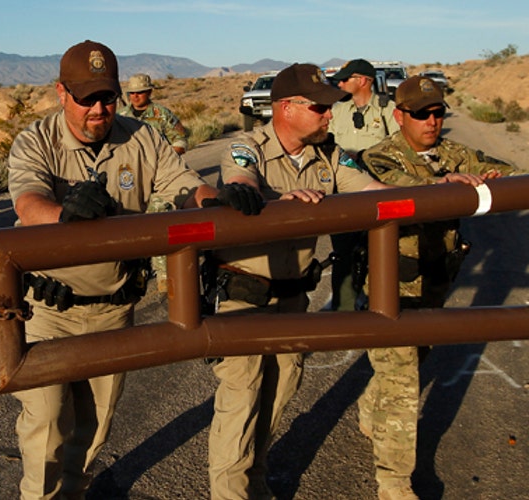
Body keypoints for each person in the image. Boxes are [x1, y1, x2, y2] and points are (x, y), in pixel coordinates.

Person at [7, 40, 230, 500]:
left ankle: (73, 493)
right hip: (48, 309)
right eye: (87, 98)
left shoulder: (143, 138)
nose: (99, 109)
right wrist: (64, 216)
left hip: (112, 309)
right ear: (61, 93)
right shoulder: (37, 140)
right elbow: (28, 202)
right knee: (47, 423)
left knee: (93, 427)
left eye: (107, 97)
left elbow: (185, 186)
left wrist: (218, 200)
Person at [206, 63, 389, 500]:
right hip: (243, 300)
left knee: (280, 392)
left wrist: (441, 186)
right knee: (241, 401)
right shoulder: (247, 147)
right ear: (286, 108)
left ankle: (254, 480)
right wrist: (277, 204)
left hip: (293, 301)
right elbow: (241, 182)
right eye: (319, 108)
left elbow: (376, 192)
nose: (329, 115)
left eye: (330, 108)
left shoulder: (328, 155)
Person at [358, 75, 522, 500]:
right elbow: (393, 186)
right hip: (392, 285)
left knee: (414, 358)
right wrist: (442, 185)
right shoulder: (378, 157)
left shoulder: (453, 153)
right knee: (402, 382)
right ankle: (394, 483)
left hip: (435, 280)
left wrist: (490, 177)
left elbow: (509, 174)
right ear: (399, 116)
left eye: (437, 112)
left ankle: (370, 404)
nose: (431, 121)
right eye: (420, 114)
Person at [327, 59, 400, 312]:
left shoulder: (388, 109)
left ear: (363, 80)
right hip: (344, 194)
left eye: (345, 79)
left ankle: (380, 305)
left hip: (377, 192)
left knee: (380, 252)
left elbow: (399, 146)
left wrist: (366, 156)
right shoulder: (337, 111)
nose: (340, 83)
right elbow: (327, 144)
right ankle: (343, 310)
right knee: (344, 254)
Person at [117, 73, 190, 292]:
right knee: (130, 222)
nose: (135, 97)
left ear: (149, 92)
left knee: (158, 221)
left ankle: (164, 276)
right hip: (128, 178)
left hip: (158, 178)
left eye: (140, 92)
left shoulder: (162, 114)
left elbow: (181, 139)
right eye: (132, 93)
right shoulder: (120, 117)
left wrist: (165, 158)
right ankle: (138, 271)